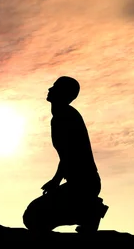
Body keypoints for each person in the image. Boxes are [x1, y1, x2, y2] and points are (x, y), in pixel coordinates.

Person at [23, 76, 109, 233]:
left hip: (84, 185)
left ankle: (90, 211)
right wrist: (56, 181)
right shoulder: (60, 117)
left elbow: (70, 154)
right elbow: (66, 155)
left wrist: (56, 181)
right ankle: (88, 210)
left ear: (65, 94)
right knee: (33, 218)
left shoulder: (67, 117)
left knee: (33, 217)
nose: (50, 89)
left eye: (55, 87)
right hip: (78, 184)